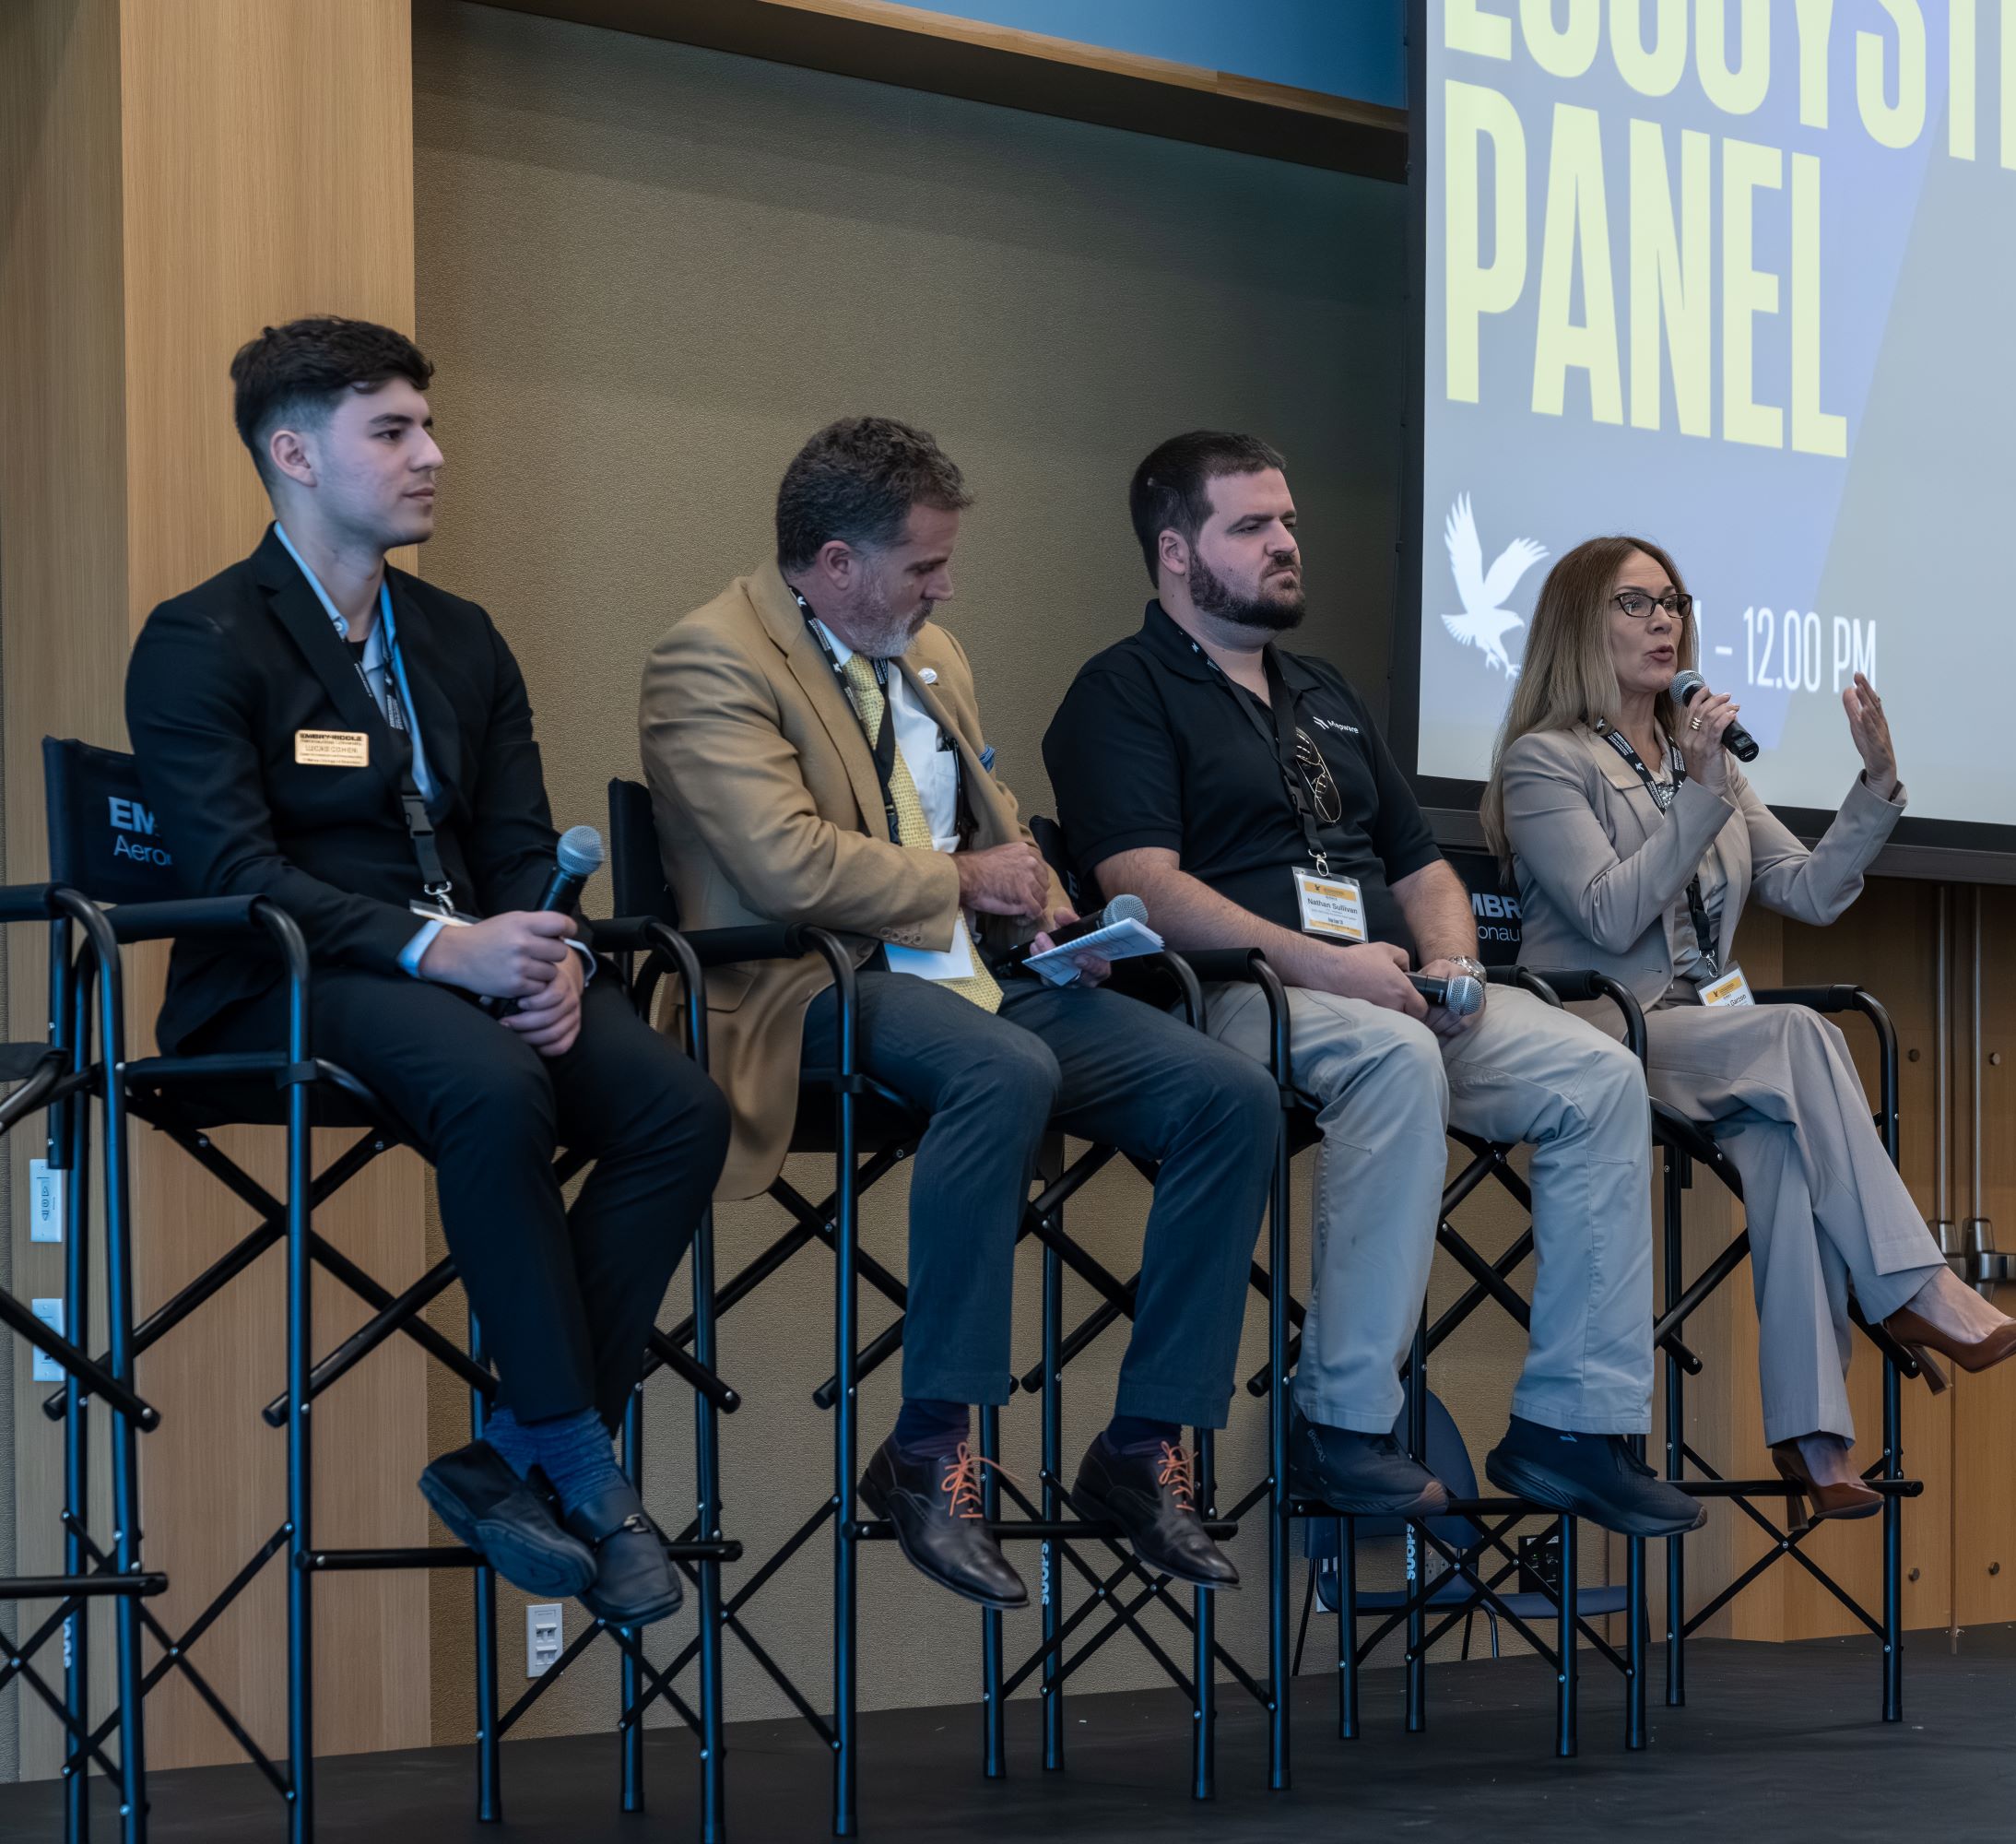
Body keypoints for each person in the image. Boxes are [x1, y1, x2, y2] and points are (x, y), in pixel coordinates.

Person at [124, 317, 728, 1628]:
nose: (432, 456)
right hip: (278, 973)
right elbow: (233, 873)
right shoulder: (203, 639)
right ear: (294, 453)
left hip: (467, 970)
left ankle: (504, 1452)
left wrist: (548, 957)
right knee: (496, 1084)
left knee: (677, 1104)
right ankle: (582, 1470)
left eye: (427, 426)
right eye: (391, 431)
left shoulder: (459, 636)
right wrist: (440, 949)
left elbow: (517, 843)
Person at [640, 417, 1279, 1607]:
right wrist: (961, 887)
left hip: (973, 981)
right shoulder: (709, 660)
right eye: (924, 566)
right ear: (837, 563)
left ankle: (1143, 1450)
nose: (946, 588)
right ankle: (931, 1452)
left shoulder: (933, 657)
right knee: (1003, 1072)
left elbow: (989, 823)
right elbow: (784, 865)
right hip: (806, 986)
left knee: (1230, 1097)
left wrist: (1045, 914)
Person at [1043, 432, 1700, 1540]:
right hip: (1236, 992)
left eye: (1288, 520)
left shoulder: (1324, 692)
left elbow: (1422, 866)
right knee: (1392, 1060)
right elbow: (1142, 885)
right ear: (1173, 550)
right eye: (1252, 526)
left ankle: (1572, 1425)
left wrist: (1448, 955)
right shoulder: (1121, 689)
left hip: (1396, 988)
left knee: (1598, 1071)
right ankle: (1342, 1422)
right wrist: (1326, 963)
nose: (1286, 542)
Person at [1486, 538, 2016, 1524]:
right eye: (1635, 603)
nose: (1665, 620)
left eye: (1673, 602)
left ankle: (1811, 1430)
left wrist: (1875, 786)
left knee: (1791, 1151)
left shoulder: (1701, 765)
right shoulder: (1547, 762)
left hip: (1712, 1040)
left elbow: (1811, 890)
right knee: (1800, 1036)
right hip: (1603, 1039)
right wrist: (1701, 792)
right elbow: (1613, 916)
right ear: (1583, 622)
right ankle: (1922, 1291)